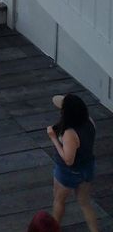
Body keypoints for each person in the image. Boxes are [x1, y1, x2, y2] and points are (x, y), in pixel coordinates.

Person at [47, 93, 98, 230]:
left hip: (69, 172)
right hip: (88, 167)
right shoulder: (89, 120)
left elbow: (69, 160)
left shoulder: (69, 134)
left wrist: (53, 138)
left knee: (58, 201)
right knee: (85, 203)